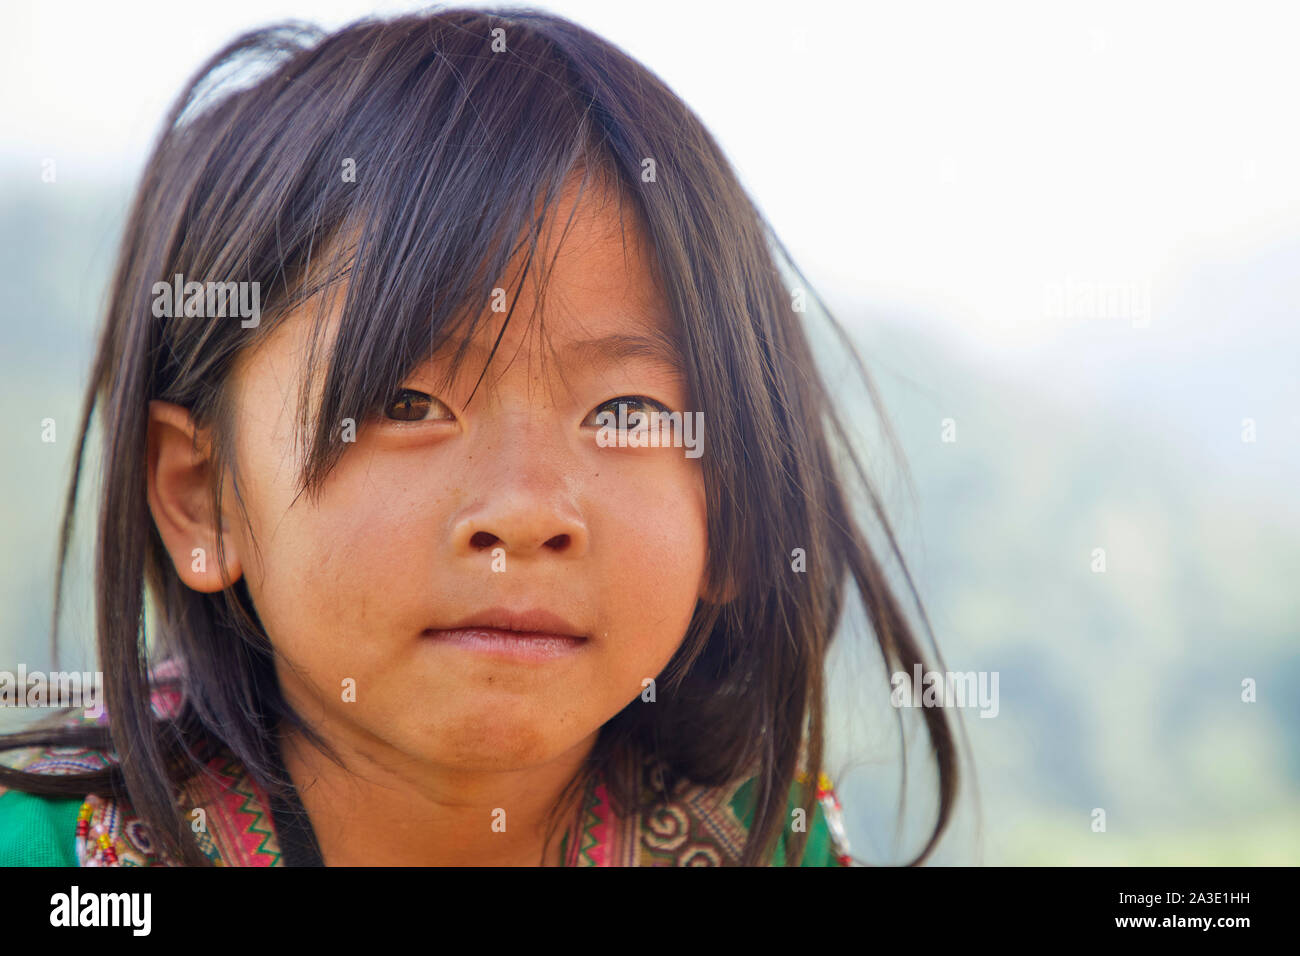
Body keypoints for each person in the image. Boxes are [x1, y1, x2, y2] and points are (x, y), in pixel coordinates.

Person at [0, 6, 958, 866]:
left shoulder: (760, 841)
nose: (527, 512)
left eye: (627, 415)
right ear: (200, 495)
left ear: (739, 514)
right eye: (407, 404)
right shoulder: (50, 854)